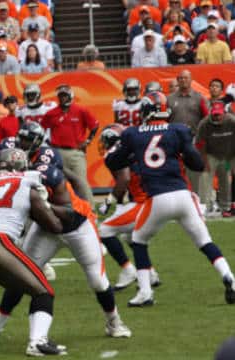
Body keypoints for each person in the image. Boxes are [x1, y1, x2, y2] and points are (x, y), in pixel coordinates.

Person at [105, 91, 235, 306]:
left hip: (157, 198)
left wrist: (129, 153)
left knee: (138, 240)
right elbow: (196, 164)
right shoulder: (178, 130)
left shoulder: (133, 134)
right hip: (183, 195)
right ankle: (229, 277)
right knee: (204, 241)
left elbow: (115, 162)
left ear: (145, 111)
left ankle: (145, 292)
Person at [0, 148, 66, 356]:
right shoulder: (28, 180)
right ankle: (37, 342)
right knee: (43, 291)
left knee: (20, 286)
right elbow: (51, 223)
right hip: (0, 243)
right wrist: (57, 214)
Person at [97, 124, 161, 290]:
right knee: (130, 236)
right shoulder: (136, 148)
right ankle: (151, 273)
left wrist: (108, 201)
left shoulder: (115, 154)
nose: (102, 144)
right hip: (153, 199)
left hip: (144, 203)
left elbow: (124, 179)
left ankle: (128, 269)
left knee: (104, 230)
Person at [42, 84, 98, 205]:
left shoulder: (80, 110)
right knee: (60, 182)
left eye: (65, 96)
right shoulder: (51, 113)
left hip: (75, 152)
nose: (62, 98)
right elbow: (42, 130)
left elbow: (94, 125)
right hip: (57, 152)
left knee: (81, 181)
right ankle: (69, 208)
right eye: (60, 96)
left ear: (70, 96)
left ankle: (91, 209)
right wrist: (49, 144)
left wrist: (87, 141)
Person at [168, 69, 209, 196]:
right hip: (174, 140)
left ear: (191, 80)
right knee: (175, 170)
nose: (183, 80)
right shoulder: (169, 99)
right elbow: (164, 120)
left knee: (197, 170)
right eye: (180, 78)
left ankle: (201, 198)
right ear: (177, 80)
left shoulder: (200, 97)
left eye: (186, 78)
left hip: (194, 140)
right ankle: (179, 197)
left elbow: (207, 119)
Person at [197, 102, 235, 217]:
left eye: (219, 114)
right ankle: (205, 206)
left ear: (224, 113)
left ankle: (226, 206)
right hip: (210, 154)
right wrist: (204, 161)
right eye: (214, 115)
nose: (217, 117)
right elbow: (200, 143)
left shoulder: (232, 121)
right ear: (211, 113)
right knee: (205, 177)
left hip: (228, 156)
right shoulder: (204, 123)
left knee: (226, 179)